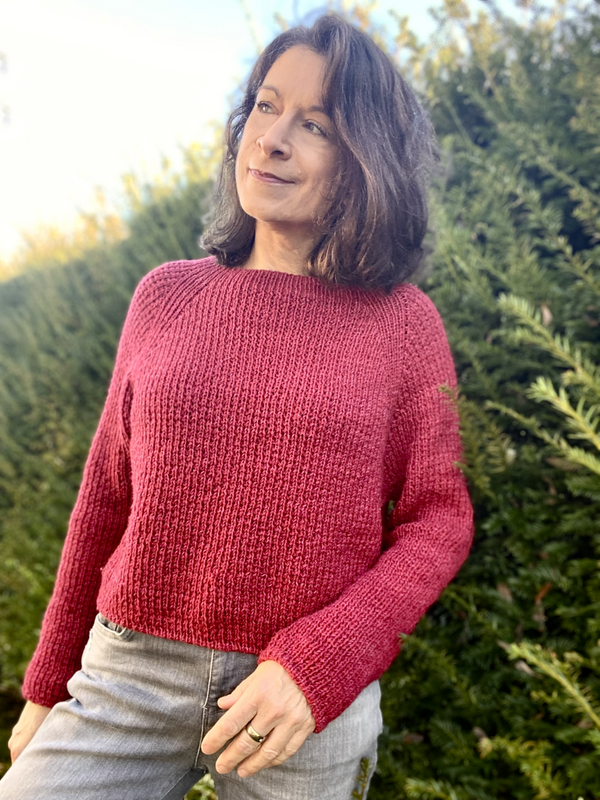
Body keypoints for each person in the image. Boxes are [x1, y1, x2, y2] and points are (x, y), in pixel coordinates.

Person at [0, 12, 474, 800]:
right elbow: (104, 498)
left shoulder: (404, 324)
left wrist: (323, 662)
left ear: (367, 158)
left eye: (315, 124)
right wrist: (48, 684)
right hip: (129, 676)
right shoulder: (166, 297)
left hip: (300, 704)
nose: (272, 138)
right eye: (265, 105)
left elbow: (440, 520)